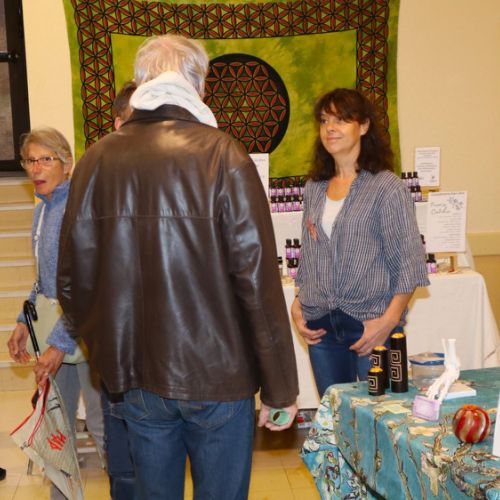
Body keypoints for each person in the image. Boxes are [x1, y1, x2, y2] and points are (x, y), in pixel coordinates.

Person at [57, 34, 299, 500]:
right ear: (200, 87)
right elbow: (256, 283)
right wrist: (280, 387)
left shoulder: (96, 160)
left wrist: (110, 355)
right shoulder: (224, 155)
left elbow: (71, 283)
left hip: (137, 374)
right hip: (220, 374)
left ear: (140, 83)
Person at [291, 88, 429, 397]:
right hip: (321, 327)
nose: (330, 128)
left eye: (341, 120)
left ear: (364, 126)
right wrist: (297, 304)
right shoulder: (314, 188)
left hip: (372, 324)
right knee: (336, 414)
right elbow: (309, 255)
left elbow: (409, 263)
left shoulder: (387, 188)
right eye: (324, 120)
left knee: (380, 414)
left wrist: (388, 323)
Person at [7, 127, 105, 499]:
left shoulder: (78, 211)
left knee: (102, 427)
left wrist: (59, 345)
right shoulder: (42, 213)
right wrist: (24, 321)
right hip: (57, 334)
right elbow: (44, 282)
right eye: (30, 160)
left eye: (46, 159)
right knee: (58, 431)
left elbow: (87, 285)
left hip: (87, 336)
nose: (36, 168)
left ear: (67, 164)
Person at [100, 79, 138, 500]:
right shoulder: (100, 177)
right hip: (119, 343)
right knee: (125, 462)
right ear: (118, 123)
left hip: (166, 351)